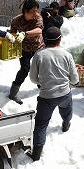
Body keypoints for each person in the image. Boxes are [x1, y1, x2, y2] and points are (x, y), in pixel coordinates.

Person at [28, 27, 79, 161]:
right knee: (66, 110)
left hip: (46, 97)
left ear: (44, 40)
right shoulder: (67, 54)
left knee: (41, 125)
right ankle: (66, 124)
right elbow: (75, 79)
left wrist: (42, 82)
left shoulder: (39, 55)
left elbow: (33, 78)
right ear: (60, 39)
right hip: (64, 94)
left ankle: (36, 155)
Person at [8, 0, 44, 105]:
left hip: (38, 47)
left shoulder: (38, 18)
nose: (35, 14)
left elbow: (39, 30)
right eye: (32, 11)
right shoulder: (16, 20)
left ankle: (41, 85)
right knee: (25, 69)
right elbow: (12, 34)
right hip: (25, 49)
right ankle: (13, 93)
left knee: (41, 67)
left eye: (36, 11)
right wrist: (13, 38)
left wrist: (25, 33)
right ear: (25, 11)